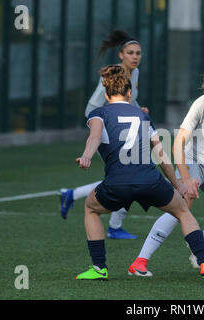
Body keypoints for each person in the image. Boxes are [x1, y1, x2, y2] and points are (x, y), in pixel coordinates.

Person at [74, 65, 204, 282]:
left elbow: (94, 138)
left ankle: (99, 268)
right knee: (182, 211)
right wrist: (178, 185)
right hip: (150, 180)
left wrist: (87, 155)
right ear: (130, 93)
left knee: (90, 208)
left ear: (106, 95)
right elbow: (161, 157)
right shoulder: (142, 116)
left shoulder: (100, 113)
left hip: (118, 183)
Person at [128, 47, 204, 276]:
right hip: (194, 164)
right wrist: (185, 179)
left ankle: (198, 242)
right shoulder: (202, 104)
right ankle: (140, 262)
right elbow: (178, 142)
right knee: (182, 203)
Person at [60, 30, 147, 240]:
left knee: (126, 176)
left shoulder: (135, 73)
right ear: (121, 55)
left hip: (120, 128)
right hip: (103, 127)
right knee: (127, 176)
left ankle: (72, 195)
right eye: (130, 53)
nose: (135, 57)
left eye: (138, 53)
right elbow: (97, 106)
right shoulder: (112, 75)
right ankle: (114, 227)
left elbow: (125, 99)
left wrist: (137, 108)